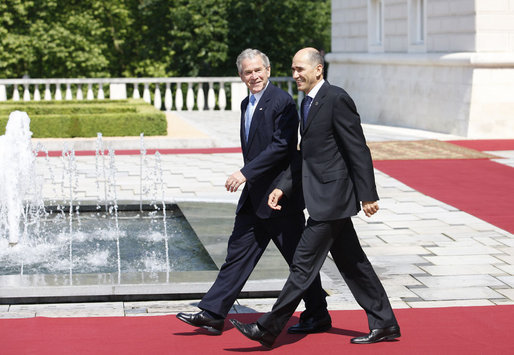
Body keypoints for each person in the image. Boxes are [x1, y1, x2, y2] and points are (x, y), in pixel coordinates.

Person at [230, 47, 400, 348]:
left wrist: (368, 195)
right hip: (320, 196)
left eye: (299, 69)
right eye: (293, 70)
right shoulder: (307, 102)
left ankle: (269, 328)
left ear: (318, 69)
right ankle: (385, 323)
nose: (295, 75)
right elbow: (304, 155)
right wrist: (283, 186)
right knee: (354, 264)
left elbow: (357, 149)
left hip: (332, 200)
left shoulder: (336, 99)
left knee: (302, 266)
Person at [176, 48, 329, 336]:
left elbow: (281, 147)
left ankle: (318, 314)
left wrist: (244, 173)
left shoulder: (281, 101)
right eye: (248, 72)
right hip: (255, 199)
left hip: (280, 198)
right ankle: (212, 314)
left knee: (299, 260)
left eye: (258, 70)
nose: (254, 76)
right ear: (241, 76)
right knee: (237, 255)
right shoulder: (248, 102)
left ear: (268, 71)